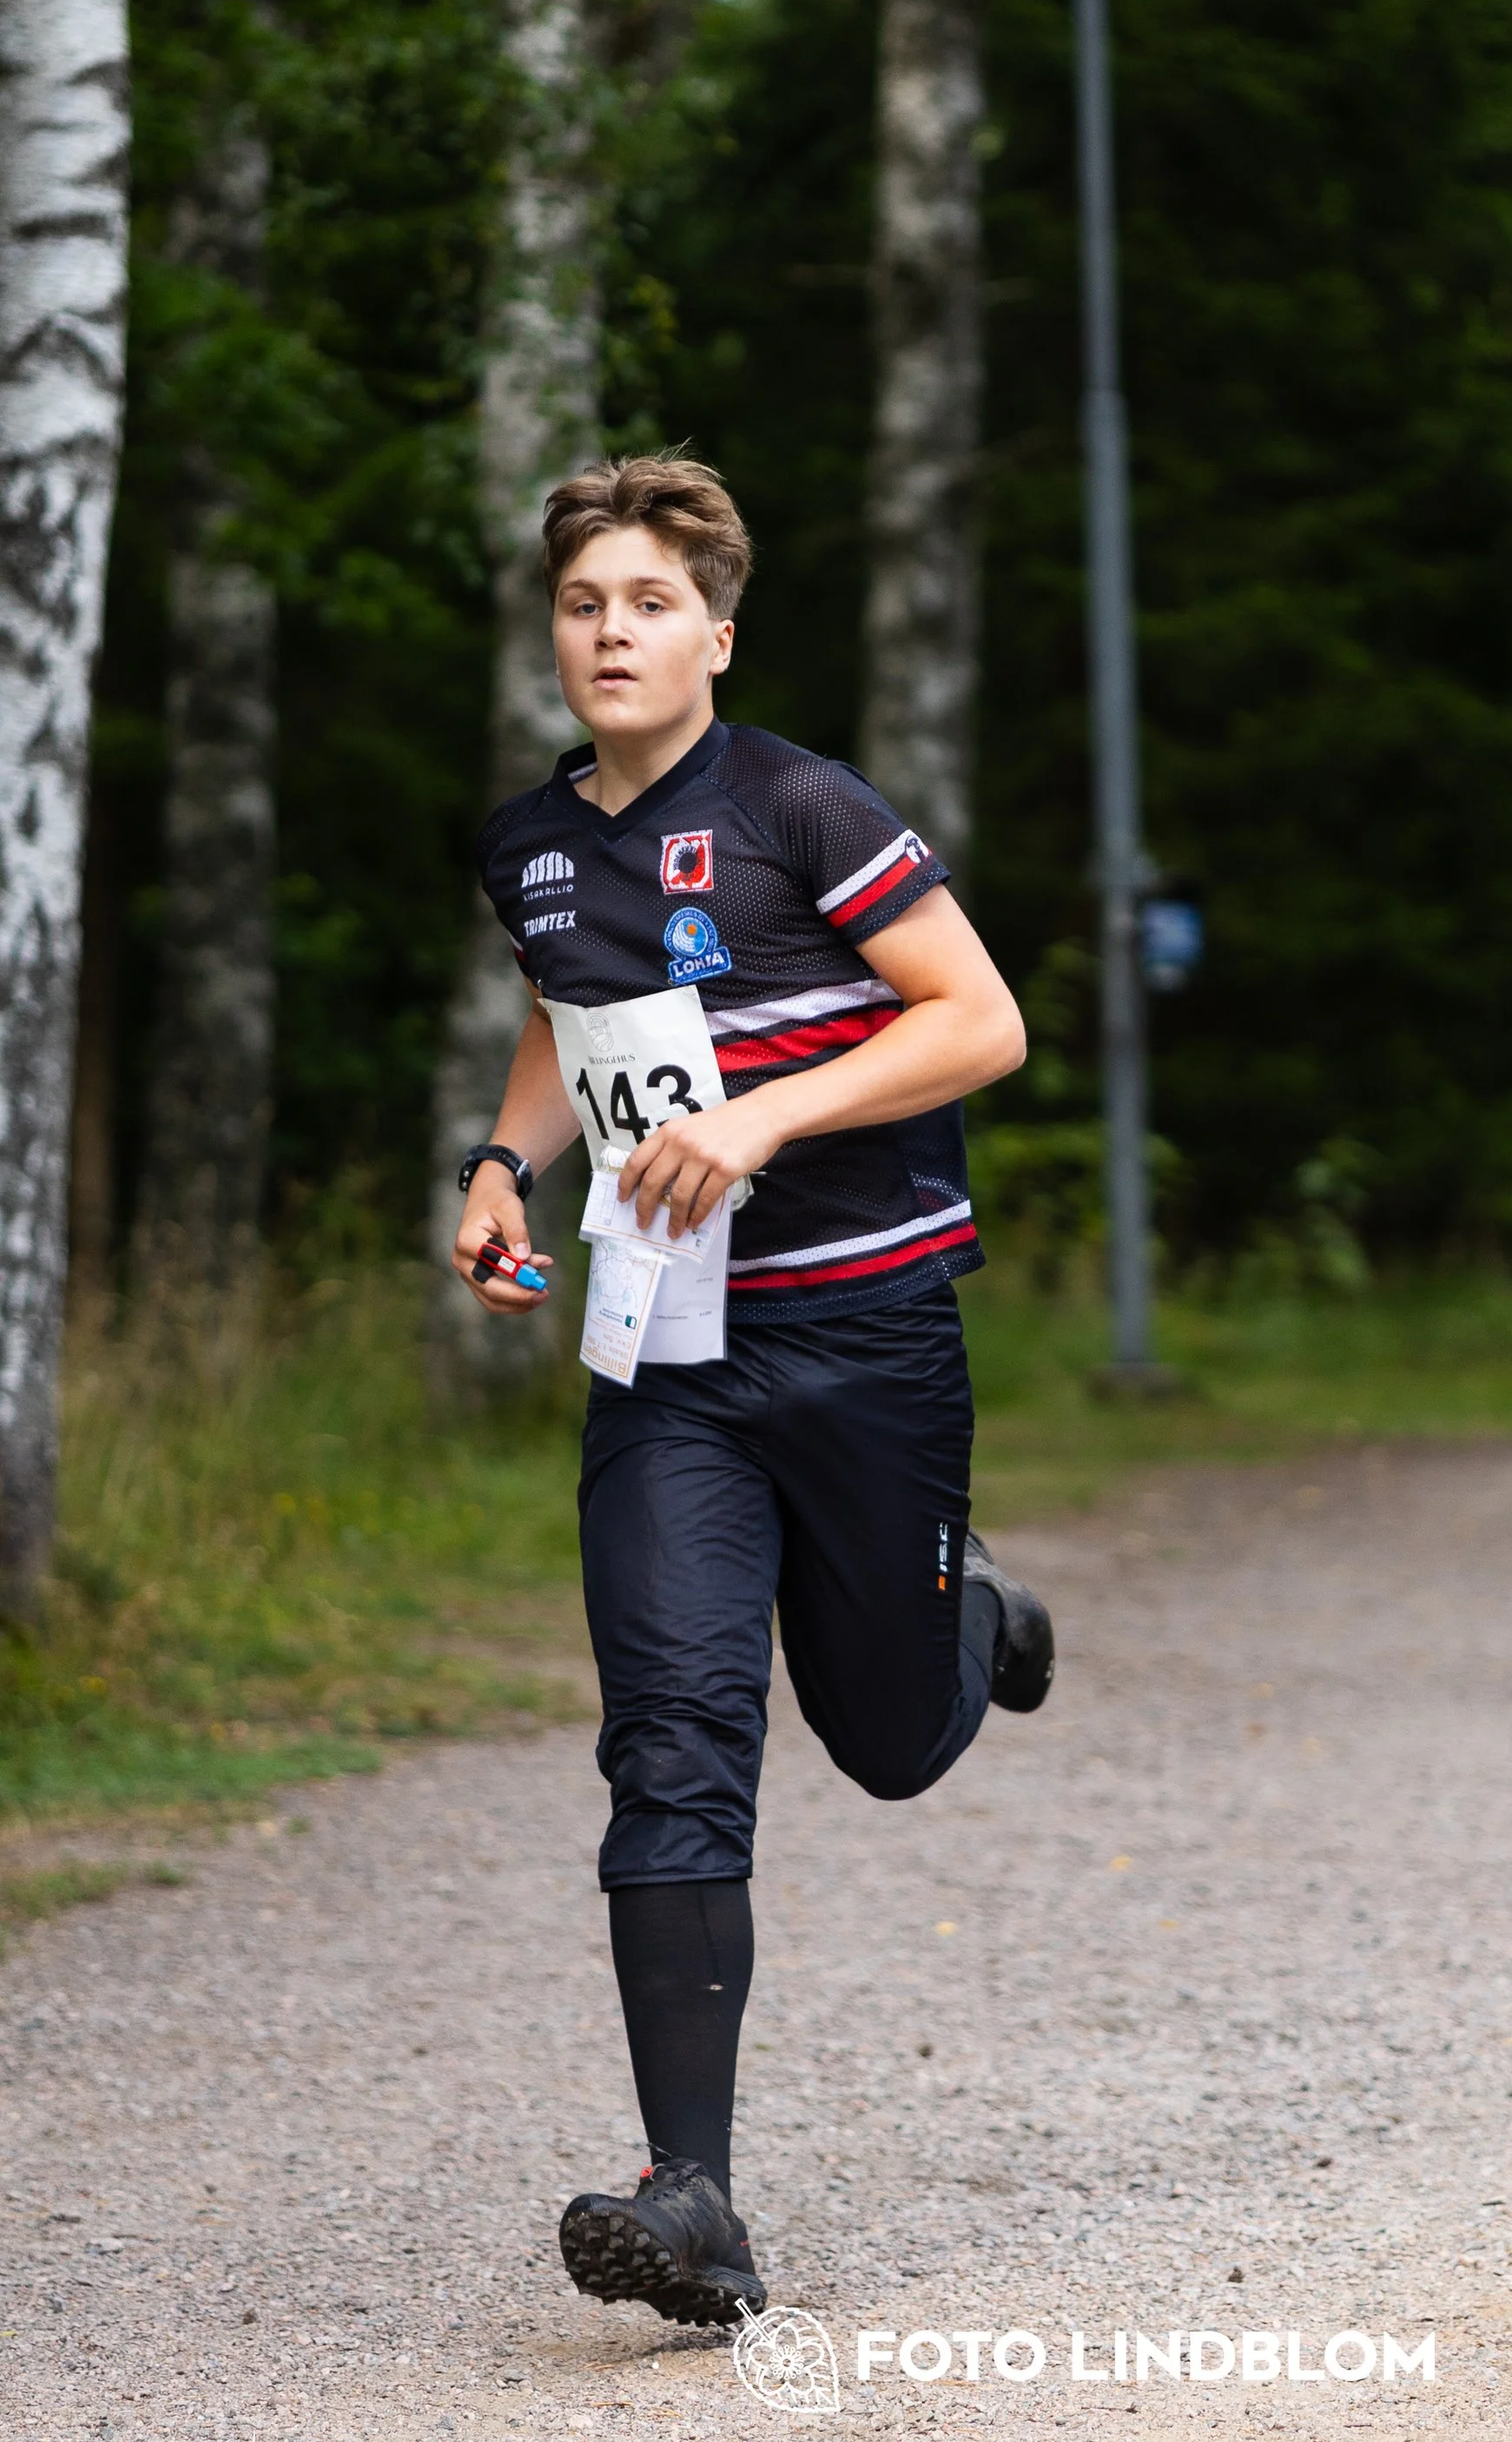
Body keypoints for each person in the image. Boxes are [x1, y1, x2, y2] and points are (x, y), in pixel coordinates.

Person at [451, 453, 1053, 2326]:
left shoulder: (798, 802)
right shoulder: (530, 845)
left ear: (714, 630)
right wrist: (499, 1165)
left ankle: (977, 1612)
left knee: (886, 1732)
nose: (610, 631)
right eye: (581, 603)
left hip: (863, 1333)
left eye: (645, 601)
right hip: (667, 1359)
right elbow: (570, 1015)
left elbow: (980, 1016)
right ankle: (691, 2191)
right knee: (671, 1741)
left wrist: (766, 1113)